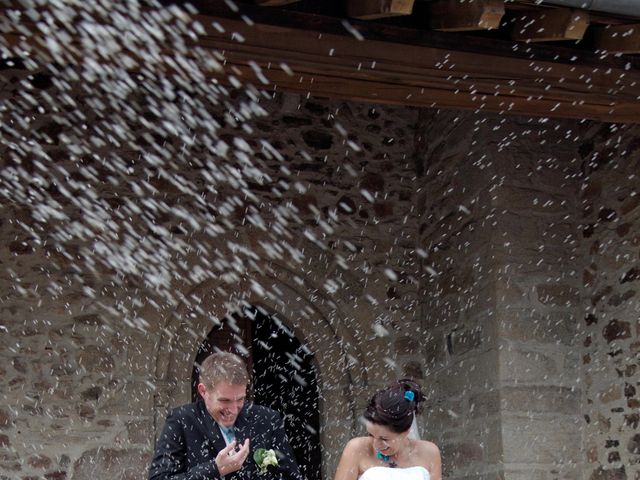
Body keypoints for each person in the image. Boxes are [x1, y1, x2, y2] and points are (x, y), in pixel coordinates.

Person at [149, 351, 304, 480]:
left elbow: (291, 476)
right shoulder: (182, 419)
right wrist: (215, 469)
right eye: (225, 400)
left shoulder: (267, 419)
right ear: (203, 391)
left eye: (240, 399)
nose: (233, 409)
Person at [333, 379, 441, 480]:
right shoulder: (357, 449)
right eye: (371, 435)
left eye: (384, 439)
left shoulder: (430, 452)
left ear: (406, 431)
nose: (376, 444)